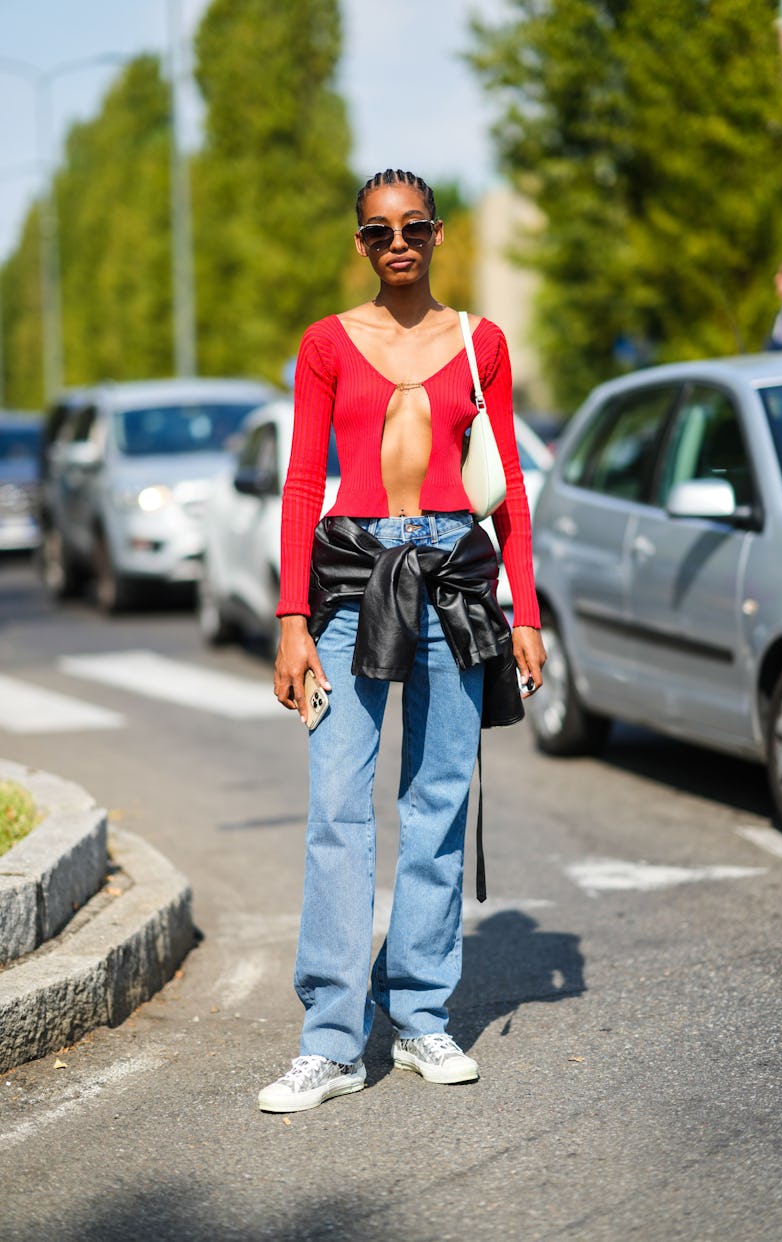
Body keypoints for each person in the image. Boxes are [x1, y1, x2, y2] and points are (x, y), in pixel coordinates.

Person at [259, 168, 546, 1114]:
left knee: (437, 801)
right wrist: (292, 621)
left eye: (414, 226)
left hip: (459, 584)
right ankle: (333, 1042)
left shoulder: (481, 343)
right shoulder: (328, 343)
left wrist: (530, 615)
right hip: (348, 583)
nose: (399, 243)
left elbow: (509, 480)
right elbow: (304, 485)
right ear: (361, 242)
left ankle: (421, 1015)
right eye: (380, 230)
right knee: (337, 807)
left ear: (434, 234)